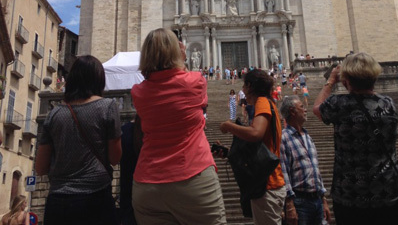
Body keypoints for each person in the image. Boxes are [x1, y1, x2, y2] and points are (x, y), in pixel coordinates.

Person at [131, 28, 226, 225]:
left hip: (147, 184)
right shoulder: (195, 82)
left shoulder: (138, 92)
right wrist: (182, 62)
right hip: (192, 177)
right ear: (179, 52)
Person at [313, 52, 398, 225]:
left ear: (346, 81)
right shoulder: (388, 104)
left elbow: (317, 109)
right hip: (388, 190)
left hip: (350, 195)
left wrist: (330, 81)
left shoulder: (339, 104)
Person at [35, 55, 122, 225]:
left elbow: (40, 168)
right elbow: (115, 158)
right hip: (96, 199)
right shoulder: (108, 107)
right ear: (99, 79)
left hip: (58, 203)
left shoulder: (54, 114)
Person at [220, 69, 286, 225]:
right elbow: (259, 148)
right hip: (267, 182)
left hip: (267, 183)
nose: (242, 90)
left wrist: (229, 126)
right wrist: (230, 152)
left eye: (244, 85)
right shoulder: (267, 104)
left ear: (250, 86)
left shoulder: (262, 101)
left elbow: (256, 133)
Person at [280, 96, 331, 225]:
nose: (305, 110)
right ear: (292, 111)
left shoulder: (308, 137)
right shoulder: (283, 138)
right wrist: (289, 204)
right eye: (302, 107)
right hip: (299, 201)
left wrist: (323, 199)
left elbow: (316, 171)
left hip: (317, 200)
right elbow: (283, 172)